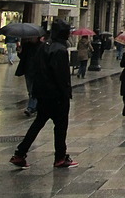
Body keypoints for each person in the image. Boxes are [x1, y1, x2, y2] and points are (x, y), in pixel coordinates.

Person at [9, 19, 78, 169]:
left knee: (38, 123)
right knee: (60, 127)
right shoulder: (59, 50)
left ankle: (20, 153)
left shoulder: (43, 47)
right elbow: (61, 75)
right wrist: (66, 93)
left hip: (42, 93)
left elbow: (36, 69)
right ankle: (60, 157)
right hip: (57, 95)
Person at [15, 35, 40, 116]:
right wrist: (19, 51)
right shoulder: (26, 45)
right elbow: (22, 57)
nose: (32, 38)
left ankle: (31, 107)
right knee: (30, 90)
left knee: (34, 90)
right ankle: (35, 106)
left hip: (37, 71)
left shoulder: (41, 46)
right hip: (28, 70)